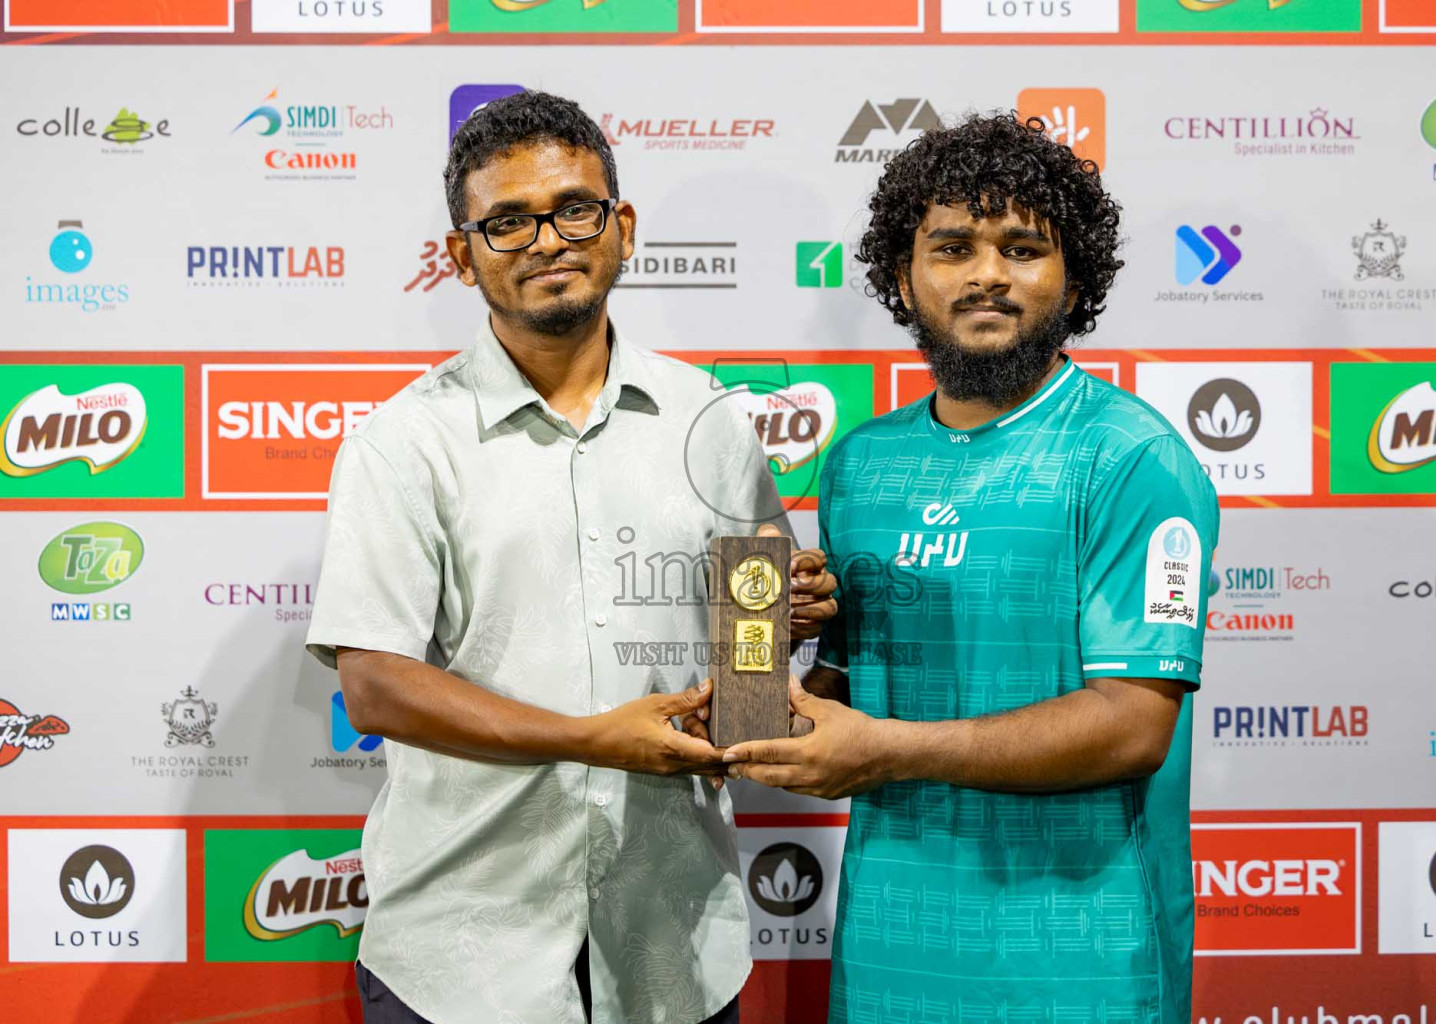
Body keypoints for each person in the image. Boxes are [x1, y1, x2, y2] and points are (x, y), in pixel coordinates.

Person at [305, 90, 836, 1024]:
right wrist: (591, 740)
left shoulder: (708, 420)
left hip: (676, 942)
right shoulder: (403, 442)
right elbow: (376, 688)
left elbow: (748, 666)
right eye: (506, 223)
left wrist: (778, 637)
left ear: (621, 227)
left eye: (573, 209)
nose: (546, 240)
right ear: (461, 254)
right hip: (464, 955)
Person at [722, 112, 1219, 1023]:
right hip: (889, 952)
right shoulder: (861, 466)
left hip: (1083, 961)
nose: (988, 273)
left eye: (1023, 247)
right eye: (952, 246)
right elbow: (847, 695)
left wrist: (885, 752)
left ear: (1075, 280)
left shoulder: (1130, 456)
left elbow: (1131, 728)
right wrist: (771, 662)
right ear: (904, 281)